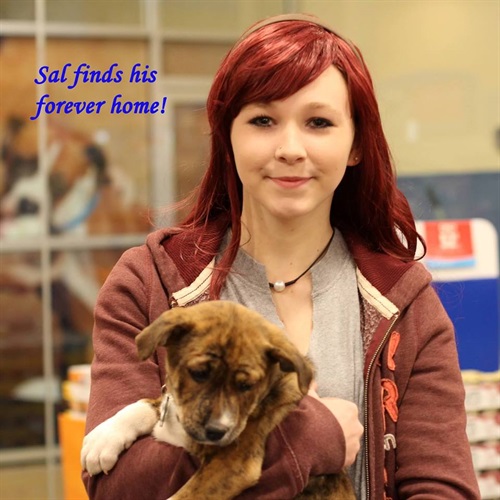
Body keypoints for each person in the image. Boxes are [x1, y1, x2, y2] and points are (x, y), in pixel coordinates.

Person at [82, 13, 480, 499]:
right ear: (228, 136)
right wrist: (310, 440)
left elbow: (442, 488)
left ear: (355, 144)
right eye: (263, 120)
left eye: (319, 122)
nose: (291, 148)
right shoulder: (151, 282)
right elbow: (117, 487)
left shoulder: (402, 300)